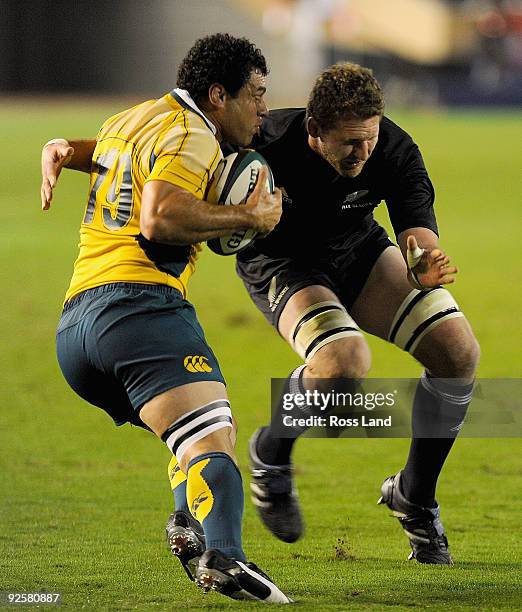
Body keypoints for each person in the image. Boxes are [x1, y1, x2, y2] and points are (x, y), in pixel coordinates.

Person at [40, 33, 292, 604]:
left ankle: (186, 523)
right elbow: (157, 219)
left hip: (77, 329)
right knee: (215, 444)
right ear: (217, 95)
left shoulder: (136, 117)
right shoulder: (196, 132)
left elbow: (108, 152)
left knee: (189, 430)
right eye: (255, 95)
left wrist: (63, 148)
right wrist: (247, 215)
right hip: (139, 311)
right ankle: (225, 556)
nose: (263, 109)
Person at [239, 62, 480, 564]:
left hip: (359, 250)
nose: (362, 152)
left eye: (368, 139)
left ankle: (414, 497)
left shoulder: (392, 146)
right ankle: (272, 450)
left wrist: (422, 261)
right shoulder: (266, 143)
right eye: (349, 142)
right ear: (315, 132)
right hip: (285, 263)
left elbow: (416, 228)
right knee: (343, 368)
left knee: (458, 354)